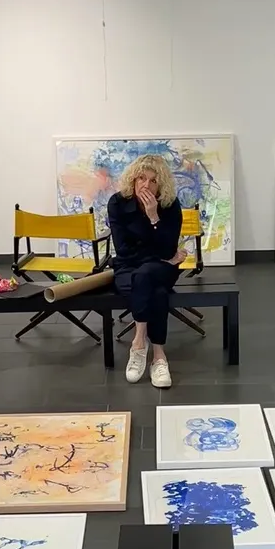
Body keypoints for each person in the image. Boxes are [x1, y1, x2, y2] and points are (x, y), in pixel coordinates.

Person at [107, 155, 185, 388]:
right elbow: (123, 250)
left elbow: (167, 246)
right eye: (142, 178)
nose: (146, 185)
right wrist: (168, 257)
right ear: (133, 179)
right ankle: (159, 356)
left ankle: (139, 343)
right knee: (155, 291)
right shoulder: (117, 203)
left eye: (153, 181)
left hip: (159, 269)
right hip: (132, 268)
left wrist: (154, 217)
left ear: (160, 185)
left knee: (145, 276)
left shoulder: (170, 205)